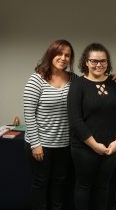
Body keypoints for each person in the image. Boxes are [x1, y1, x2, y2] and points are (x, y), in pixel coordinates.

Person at [67, 43, 116, 210]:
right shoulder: (78, 85)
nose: (98, 64)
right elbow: (75, 120)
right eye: (94, 61)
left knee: (103, 186)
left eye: (103, 61)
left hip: (111, 147)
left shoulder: (115, 83)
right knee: (84, 186)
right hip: (84, 148)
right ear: (86, 62)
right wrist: (94, 145)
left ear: (107, 62)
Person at [23, 39, 75, 210]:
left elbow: (93, 84)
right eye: (59, 54)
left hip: (64, 144)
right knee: (40, 183)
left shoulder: (74, 80)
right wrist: (36, 144)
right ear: (51, 55)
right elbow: (29, 114)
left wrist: (111, 78)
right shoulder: (37, 80)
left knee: (59, 182)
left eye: (67, 55)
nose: (63, 58)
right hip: (41, 144)